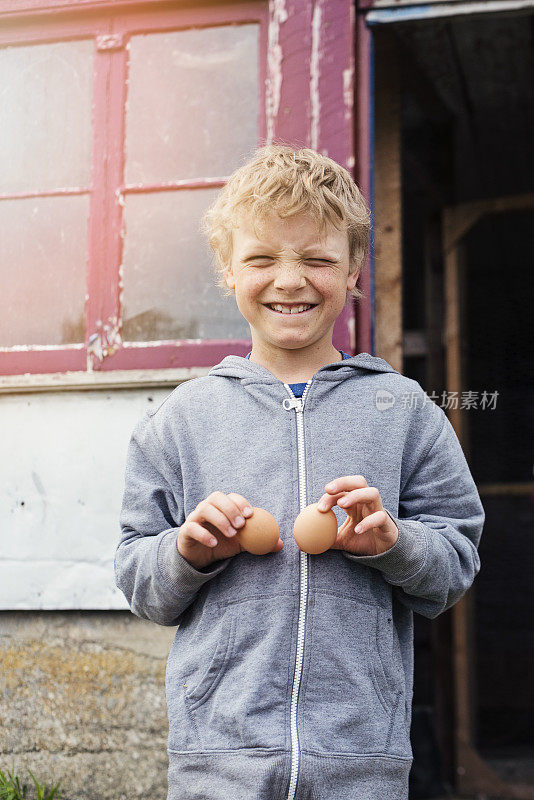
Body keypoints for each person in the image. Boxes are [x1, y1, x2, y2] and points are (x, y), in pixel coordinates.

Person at [115, 145, 484, 800]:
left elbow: (453, 568)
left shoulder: (403, 411)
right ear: (228, 270)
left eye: (316, 259)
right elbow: (142, 583)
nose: (290, 280)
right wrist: (186, 551)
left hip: (360, 764)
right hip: (218, 764)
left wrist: (393, 544)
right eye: (262, 258)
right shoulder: (183, 419)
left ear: (353, 271)